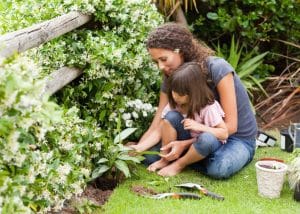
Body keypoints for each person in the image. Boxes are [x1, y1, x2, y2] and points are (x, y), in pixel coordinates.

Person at [130, 22, 257, 179]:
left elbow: (229, 128)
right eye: (156, 62)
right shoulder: (170, 76)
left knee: (219, 168)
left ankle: (184, 160)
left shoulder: (217, 69)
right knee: (150, 157)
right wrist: (138, 150)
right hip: (196, 134)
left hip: (234, 139)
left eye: (163, 59)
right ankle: (194, 156)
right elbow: (158, 123)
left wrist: (183, 145)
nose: (160, 67)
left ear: (180, 51)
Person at [147, 62, 228, 176]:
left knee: (206, 139)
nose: (174, 96)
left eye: (179, 93)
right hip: (186, 141)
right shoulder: (175, 103)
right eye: (173, 91)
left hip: (205, 145)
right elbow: (163, 125)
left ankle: (179, 165)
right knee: (170, 117)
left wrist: (200, 127)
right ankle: (166, 159)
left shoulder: (208, 107)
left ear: (192, 92)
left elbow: (224, 134)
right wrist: (140, 147)